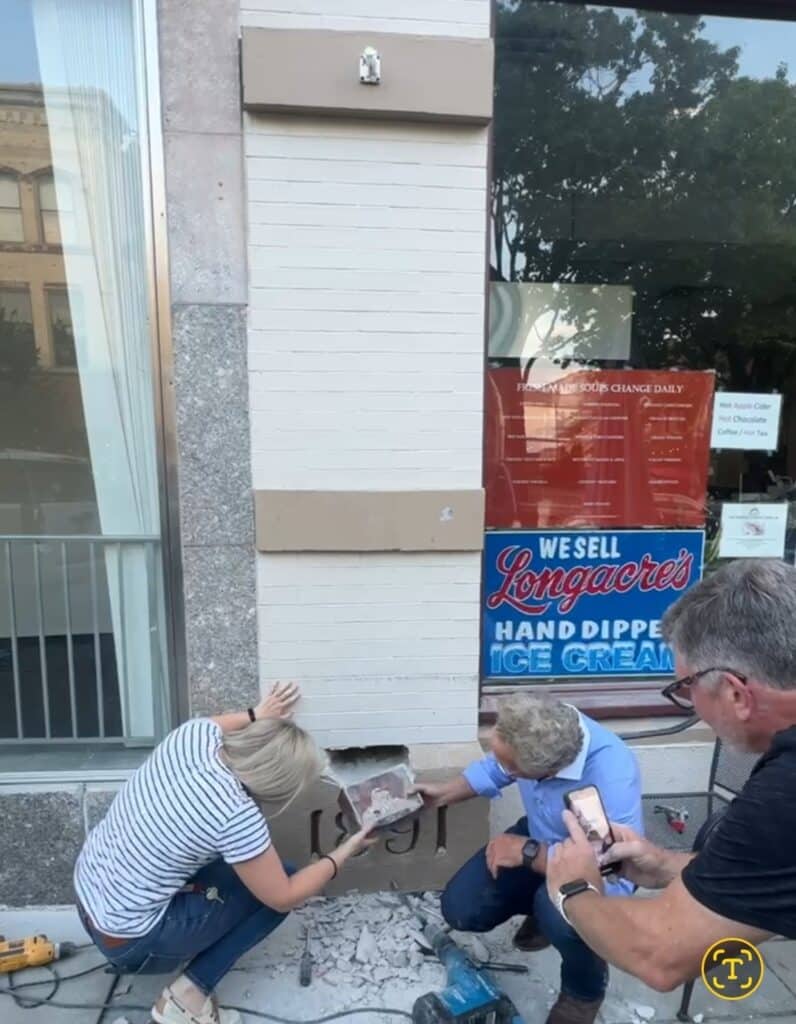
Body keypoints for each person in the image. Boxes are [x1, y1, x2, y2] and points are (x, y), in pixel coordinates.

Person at [545, 558, 796, 994]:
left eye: (686, 689)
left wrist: (572, 888)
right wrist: (663, 866)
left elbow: (660, 954)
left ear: (736, 693)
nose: (694, 710)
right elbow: (765, 873)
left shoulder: (785, 789)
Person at [74, 683, 374, 1024]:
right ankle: (186, 997)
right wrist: (347, 850)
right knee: (284, 883)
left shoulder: (190, 738)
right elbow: (283, 896)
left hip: (88, 895)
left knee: (239, 866)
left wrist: (257, 715)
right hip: (128, 941)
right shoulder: (236, 814)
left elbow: (216, 722)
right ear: (279, 787)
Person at [413, 694, 642, 1024]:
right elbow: (497, 767)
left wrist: (525, 852)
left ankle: (584, 989)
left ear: (549, 770)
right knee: (462, 908)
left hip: (593, 869)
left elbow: (610, 867)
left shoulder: (610, 774)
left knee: (565, 916)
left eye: (513, 768)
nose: (503, 767)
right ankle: (541, 907)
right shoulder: (539, 725)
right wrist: (441, 794)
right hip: (539, 838)